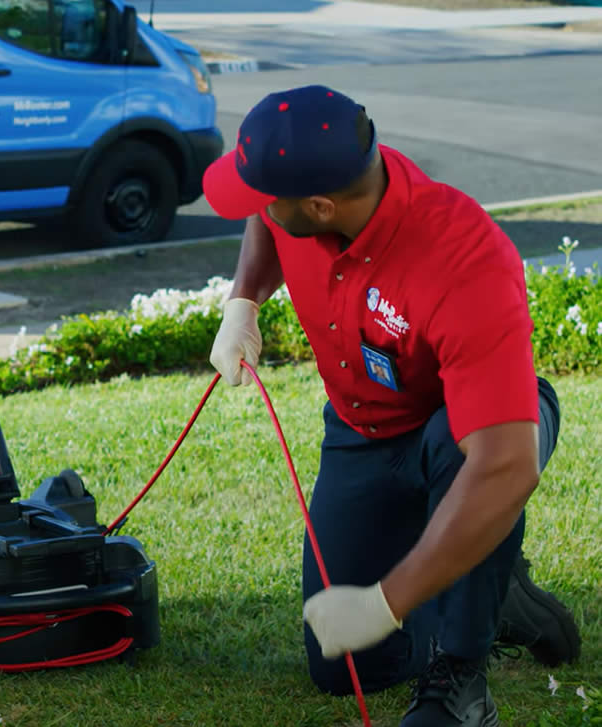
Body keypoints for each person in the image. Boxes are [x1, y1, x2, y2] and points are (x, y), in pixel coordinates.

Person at [202, 85, 581, 727]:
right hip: (361, 432)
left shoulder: (465, 257)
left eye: (269, 195)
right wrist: (244, 300)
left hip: (475, 433)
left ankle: (459, 674)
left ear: (321, 206)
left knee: (458, 455)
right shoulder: (327, 183)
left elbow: (505, 465)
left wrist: (387, 601)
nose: (260, 207)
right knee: (343, 670)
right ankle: (494, 588)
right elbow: (267, 216)